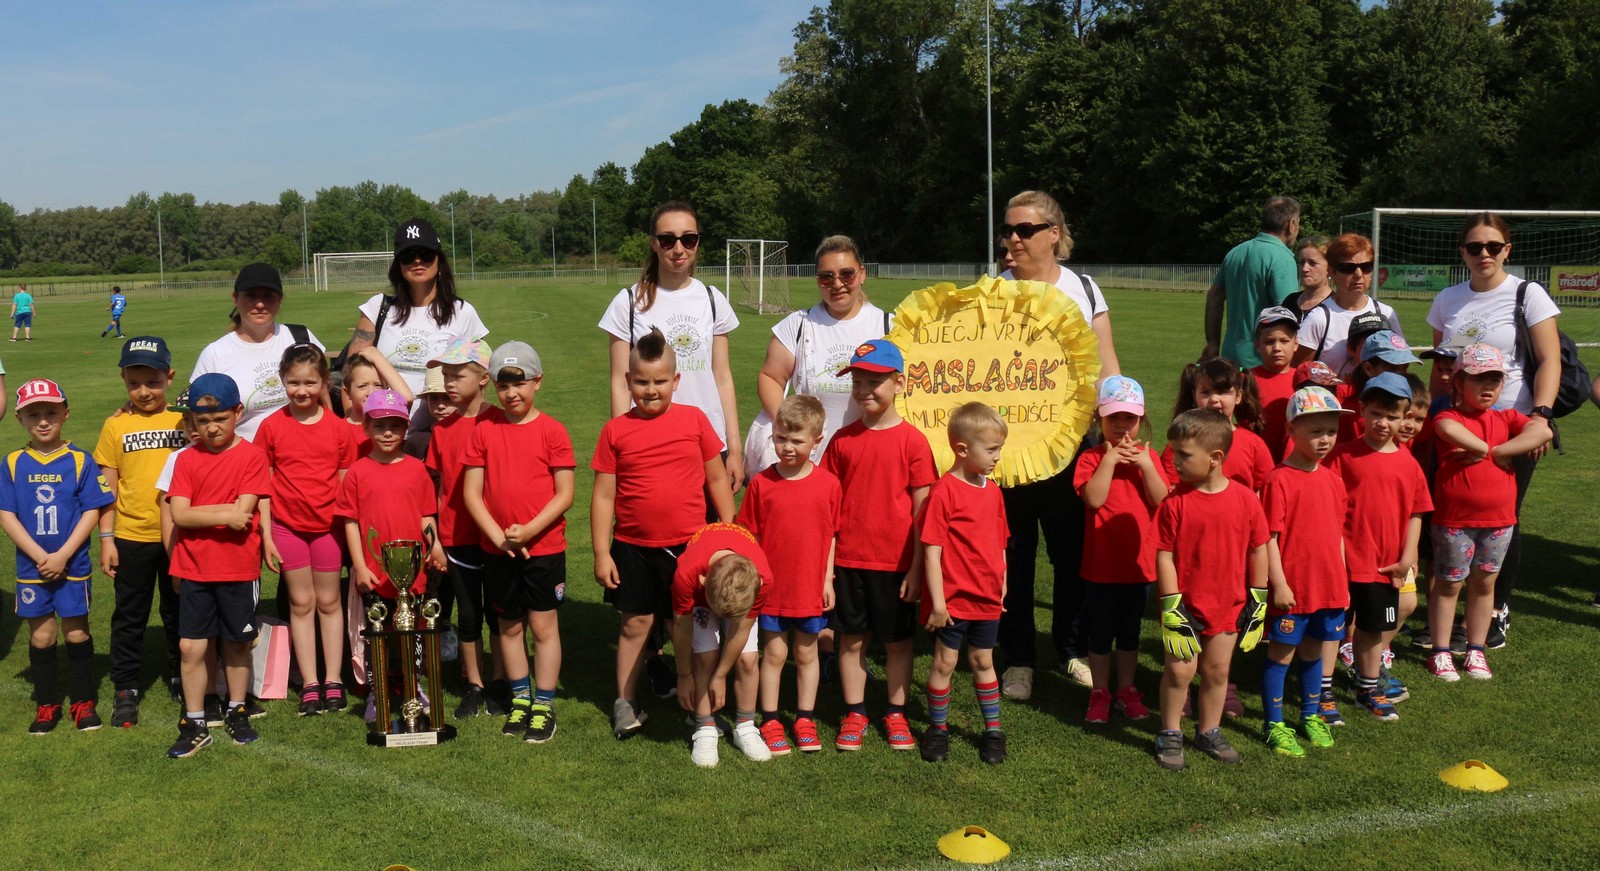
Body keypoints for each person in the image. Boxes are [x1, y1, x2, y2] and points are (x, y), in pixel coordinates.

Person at [994, 189, 1121, 700]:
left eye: (1024, 230)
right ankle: (1018, 659)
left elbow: (1107, 361)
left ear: (1053, 233)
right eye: (1008, 230)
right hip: (1009, 451)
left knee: (1072, 556)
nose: (1013, 240)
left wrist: (1118, 422)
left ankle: (1071, 650)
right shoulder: (991, 292)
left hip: (1073, 447)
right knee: (1014, 556)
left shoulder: (1084, 289)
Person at [1426, 212, 1561, 650]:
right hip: (1456, 428)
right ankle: (1444, 614)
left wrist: (1539, 415)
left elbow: (1549, 360)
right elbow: (1442, 369)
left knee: (1504, 518)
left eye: (1493, 246)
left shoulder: (1528, 293)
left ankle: (1495, 610)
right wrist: (1434, 420)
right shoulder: (1448, 298)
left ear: (1508, 249)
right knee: (1451, 517)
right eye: (1474, 247)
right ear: (1462, 250)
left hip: (1510, 428)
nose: (1483, 254)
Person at [591, 329, 734, 741]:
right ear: (628, 381)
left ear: (675, 381)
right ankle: (625, 703)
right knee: (635, 624)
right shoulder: (615, 430)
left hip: (686, 549)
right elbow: (603, 497)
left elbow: (716, 478)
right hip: (632, 548)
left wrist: (728, 531)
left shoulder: (694, 420)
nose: (650, 391)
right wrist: (602, 552)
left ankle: (699, 706)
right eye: (641, 382)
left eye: (658, 382)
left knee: (686, 625)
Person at [821, 339, 936, 752]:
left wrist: (918, 569)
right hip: (849, 562)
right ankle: (854, 712)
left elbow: (925, 515)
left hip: (896, 564)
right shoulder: (842, 440)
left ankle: (895, 713)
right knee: (850, 641)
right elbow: (827, 508)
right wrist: (827, 569)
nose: (865, 390)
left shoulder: (913, 442)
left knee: (898, 644)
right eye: (858, 382)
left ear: (899, 383)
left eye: (875, 381)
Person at [462, 342, 575, 744]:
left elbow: (565, 494)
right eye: (502, 385)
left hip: (543, 548)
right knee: (508, 627)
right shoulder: (484, 430)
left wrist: (528, 531)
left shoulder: (553, 431)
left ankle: (544, 704)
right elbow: (472, 493)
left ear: (537, 382)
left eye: (519, 384)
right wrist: (498, 536)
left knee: (543, 627)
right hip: (498, 550)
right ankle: (521, 699)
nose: (511, 394)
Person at [1153, 409, 1269, 771]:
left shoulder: (1247, 499)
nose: (1174, 461)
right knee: (1179, 672)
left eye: (1184, 455)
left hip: (1229, 605)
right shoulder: (1175, 502)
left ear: (1215, 458)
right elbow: (1164, 555)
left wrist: (1259, 600)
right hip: (1186, 607)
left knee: (1218, 672)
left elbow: (1258, 548)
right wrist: (1172, 608)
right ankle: (1170, 732)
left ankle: (1209, 730)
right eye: (1173, 452)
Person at [599, 201, 744, 490]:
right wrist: (621, 440)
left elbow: (722, 377)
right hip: (648, 439)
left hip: (708, 442)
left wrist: (735, 446)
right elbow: (620, 381)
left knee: (708, 532)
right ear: (654, 244)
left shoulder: (712, 299)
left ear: (698, 242)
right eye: (668, 240)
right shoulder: (628, 302)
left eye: (688, 239)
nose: (678, 249)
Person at [1426, 344, 1550, 681]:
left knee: (1484, 585)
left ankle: (1475, 650)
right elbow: (1448, 432)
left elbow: (1542, 431)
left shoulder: (1506, 417)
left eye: (1495, 380)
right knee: (1449, 584)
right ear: (1459, 382)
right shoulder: (1448, 416)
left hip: (1499, 522)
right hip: (1455, 520)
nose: (1488, 388)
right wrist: (1491, 451)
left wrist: (1498, 450)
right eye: (1479, 379)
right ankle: (1441, 650)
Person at [164, 373, 272, 757]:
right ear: (191, 419)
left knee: (237, 644)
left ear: (238, 413)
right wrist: (224, 513)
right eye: (202, 419)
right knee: (191, 647)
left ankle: (236, 708)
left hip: (238, 569)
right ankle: (194, 721)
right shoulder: (185, 459)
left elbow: (245, 514)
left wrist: (204, 512)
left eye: (220, 418)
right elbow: (179, 515)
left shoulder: (252, 456)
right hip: (194, 569)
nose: (211, 428)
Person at [2, 379, 115, 732]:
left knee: (76, 633)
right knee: (42, 636)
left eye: (51, 412)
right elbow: (7, 515)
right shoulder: (12, 463)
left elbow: (92, 510)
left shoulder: (80, 460)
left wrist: (63, 554)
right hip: (32, 566)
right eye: (34, 414)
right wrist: (40, 556)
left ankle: (83, 701)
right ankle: (47, 703)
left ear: (66, 413)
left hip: (73, 565)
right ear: (20, 418)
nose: (43, 420)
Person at [255, 344, 357, 717]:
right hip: (286, 528)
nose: (301, 390)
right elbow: (262, 486)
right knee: (301, 604)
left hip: (328, 528)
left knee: (330, 602)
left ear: (324, 382)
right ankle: (310, 682)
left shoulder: (339, 430)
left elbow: (347, 487)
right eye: (293, 382)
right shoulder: (271, 427)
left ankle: (334, 679)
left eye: (310, 382)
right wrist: (266, 534)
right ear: (282, 381)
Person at [736, 394, 841, 756]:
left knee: (807, 653)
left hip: (809, 587)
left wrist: (827, 580)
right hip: (773, 589)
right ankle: (771, 719)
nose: (788, 447)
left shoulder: (829, 485)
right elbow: (747, 537)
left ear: (817, 440)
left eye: (797, 440)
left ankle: (806, 718)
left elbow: (831, 536)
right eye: (781, 438)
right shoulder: (762, 484)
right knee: (776, 654)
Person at [334, 389, 448, 722]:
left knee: (413, 633)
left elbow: (427, 515)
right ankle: (376, 691)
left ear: (406, 428)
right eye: (380, 425)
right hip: (373, 573)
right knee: (376, 636)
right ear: (366, 427)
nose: (388, 433)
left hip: (413, 575)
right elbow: (351, 522)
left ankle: (414, 688)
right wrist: (358, 566)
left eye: (395, 426)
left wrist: (435, 545)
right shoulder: (357, 472)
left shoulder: (416, 469)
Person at [1325, 373, 1431, 720]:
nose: (1382, 423)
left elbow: (1417, 512)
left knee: (1372, 631)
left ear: (1405, 417)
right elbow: (1326, 508)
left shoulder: (1409, 465)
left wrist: (1407, 557)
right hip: (1341, 564)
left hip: (1384, 567)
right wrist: (1332, 554)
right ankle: (1322, 692)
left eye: (1391, 416)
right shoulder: (1341, 457)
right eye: (1375, 413)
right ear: (1362, 411)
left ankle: (1367, 691)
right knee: (1330, 630)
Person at [95, 336, 188, 727]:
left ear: (169, 376)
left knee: (179, 612)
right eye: (134, 383)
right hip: (132, 537)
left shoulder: (185, 420)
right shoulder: (116, 425)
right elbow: (108, 488)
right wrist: (106, 540)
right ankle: (127, 686)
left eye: (152, 381)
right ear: (123, 380)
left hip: (179, 536)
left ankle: (183, 675)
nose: (144, 391)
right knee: (129, 616)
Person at [1259, 387, 1350, 757]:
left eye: (1330, 430)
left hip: (1328, 588)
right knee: (1282, 655)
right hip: (1293, 589)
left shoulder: (1333, 479)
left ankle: (1310, 715)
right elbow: (1268, 538)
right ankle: (1274, 724)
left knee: (1313, 652)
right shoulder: (1277, 480)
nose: (1325, 439)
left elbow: (1337, 534)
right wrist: (1278, 582)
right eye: (1315, 431)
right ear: (1291, 430)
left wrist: (1341, 578)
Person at [919, 402, 1011, 765]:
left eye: (999, 449)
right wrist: (939, 603)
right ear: (962, 449)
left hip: (986, 599)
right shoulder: (944, 491)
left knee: (983, 661)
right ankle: (938, 730)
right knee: (944, 663)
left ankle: (993, 731)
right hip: (954, 600)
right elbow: (931, 551)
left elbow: (1000, 541)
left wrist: (1002, 581)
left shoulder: (994, 492)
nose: (997, 457)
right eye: (991, 450)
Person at [1074, 377, 1167, 725]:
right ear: (1100, 419)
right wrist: (1110, 462)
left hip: (1139, 566)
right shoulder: (1090, 458)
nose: (1122, 426)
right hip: (1100, 567)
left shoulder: (1150, 458)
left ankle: (1127, 689)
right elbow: (1093, 499)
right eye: (1114, 418)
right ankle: (1100, 691)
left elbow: (1164, 502)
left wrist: (1145, 466)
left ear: (1142, 420)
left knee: (1129, 634)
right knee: (1100, 634)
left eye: (1130, 418)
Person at [754, 235, 892, 461]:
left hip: (870, 458)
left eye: (847, 274)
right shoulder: (798, 324)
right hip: (810, 461)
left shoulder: (889, 326)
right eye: (826, 277)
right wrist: (790, 430)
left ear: (862, 274)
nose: (837, 284)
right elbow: (770, 377)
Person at [424, 339, 506, 718]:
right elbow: (435, 488)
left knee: (501, 612)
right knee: (470, 615)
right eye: (446, 375)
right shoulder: (443, 429)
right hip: (457, 537)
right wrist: (435, 540)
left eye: (458, 375)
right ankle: (475, 684)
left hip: (499, 537)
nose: (450, 383)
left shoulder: (501, 421)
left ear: (483, 378)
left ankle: (503, 681)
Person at [348, 218, 489, 399]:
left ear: (439, 260)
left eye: (426, 254)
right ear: (398, 265)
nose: (417, 261)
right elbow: (351, 372)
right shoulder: (378, 307)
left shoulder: (462, 312)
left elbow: (476, 377)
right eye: (407, 256)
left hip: (441, 421)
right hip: (386, 424)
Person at [670, 522, 770, 767]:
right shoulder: (686, 576)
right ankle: (704, 726)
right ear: (703, 582)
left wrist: (721, 675)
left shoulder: (762, 580)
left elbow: (741, 631)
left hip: (737, 597)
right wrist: (684, 674)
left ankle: (746, 726)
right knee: (705, 656)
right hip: (703, 598)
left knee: (747, 658)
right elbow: (682, 629)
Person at [190, 264, 324, 442]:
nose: (260, 304)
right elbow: (197, 415)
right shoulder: (215, 354)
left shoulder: (301, 338)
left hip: (304, 452)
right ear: (235, 298)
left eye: (268, 296)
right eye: (251, 296)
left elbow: (323, 397)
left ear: (280, 299)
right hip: (245, 459)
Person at [1202, 196, 1301, 368]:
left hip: (1230, 357)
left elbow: (1214, 297)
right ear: (1291, 224)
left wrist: (1213, 344)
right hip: (1262, 363)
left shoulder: (1235, 252)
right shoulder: (1283, 258)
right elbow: (1286, 314)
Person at [1293, 234, 1402, 377]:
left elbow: (1401, 367)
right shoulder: (1319, 318)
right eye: (1348, 268)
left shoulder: (1386, 314)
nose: (1358, 274)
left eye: (1366, 267)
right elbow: (1298, 372)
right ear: (1331, 271)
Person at [1162, 358, 1273, 495]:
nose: (1214, 399)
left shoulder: (1253, 443)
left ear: (1238, 396)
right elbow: (1169, 487)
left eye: (1222, 392)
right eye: (1205, 392)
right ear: (1194, 395)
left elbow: (1265, 488)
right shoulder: (1180, 443)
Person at [1252, 306, 1301, 462]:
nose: (1277, 348)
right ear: (1257, 345)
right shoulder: (1245, 379)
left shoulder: (1303, 380)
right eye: (1269, 342)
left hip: (1293, 463)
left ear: (1296, 344)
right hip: (1256, 460)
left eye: (1284, 341)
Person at [1281, 237, 1333, 317]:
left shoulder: (1335, 306)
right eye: (1301, 262)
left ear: (1328, 268)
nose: (1305, 269)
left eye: (1313, 263)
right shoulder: (1290, 301)